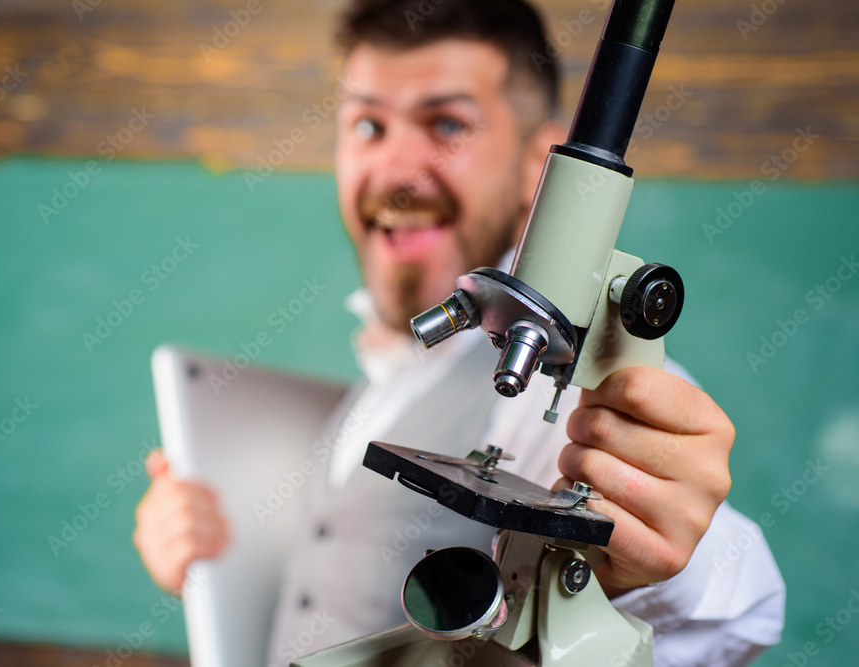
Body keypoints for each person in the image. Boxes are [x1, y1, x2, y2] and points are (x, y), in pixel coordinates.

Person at [134, 0, 786, 664]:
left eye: (447, 122)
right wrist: (204, 557)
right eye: (367, 124)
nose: (397, 171)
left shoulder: (560, 390)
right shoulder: (382, 377)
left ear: (543, 165)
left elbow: (744, 606)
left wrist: (658, 562)